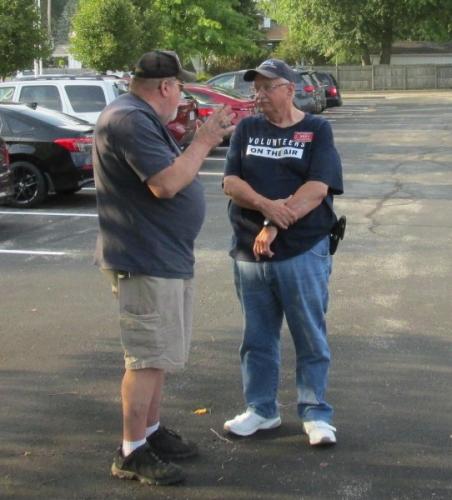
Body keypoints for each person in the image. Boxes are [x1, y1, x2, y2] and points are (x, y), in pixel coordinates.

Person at [93, 50, 235, 486]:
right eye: (181, 87)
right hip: (145, 259)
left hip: (162, 256)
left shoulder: (139, 116)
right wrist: (205, 139)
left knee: (160, 354)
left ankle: (150, 432)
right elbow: (166, 183)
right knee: (147, 357)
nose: (182, 96)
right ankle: (131, 451)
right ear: (166, 87)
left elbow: (166, 170)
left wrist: (192, 138)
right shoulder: (129, 119)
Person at [222, 59, 343, 446]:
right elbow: (230, 181)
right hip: (249, 251)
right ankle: (261, 410)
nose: (257, 96)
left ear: (289, 89)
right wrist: (264, 206)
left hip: (303, 249)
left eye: (266, 87)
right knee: (257, 337)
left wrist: (274, 223)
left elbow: (318, 188)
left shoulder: (316, 129)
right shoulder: (247, 128)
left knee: (309, 333)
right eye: (255, 89)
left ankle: (315, 413)